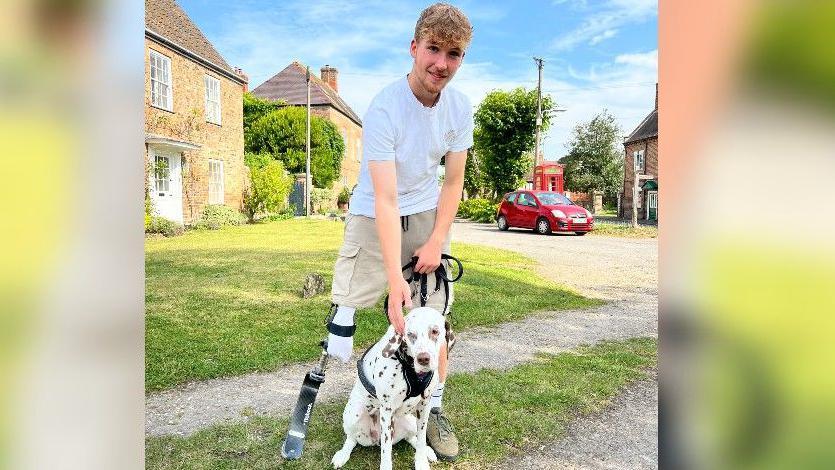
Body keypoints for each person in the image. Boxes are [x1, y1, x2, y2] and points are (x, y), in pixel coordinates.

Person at [323, 3, 473, 462]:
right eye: (433, 49)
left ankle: (434, 406)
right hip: (376, 209)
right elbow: (386, 200)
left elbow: (453, 182)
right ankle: (344, 325)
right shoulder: (386, 107)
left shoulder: (459, 106)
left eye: (454, 53)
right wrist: (394, 281)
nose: (441, 64)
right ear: (414, 48)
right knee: (363, 300)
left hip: (428, 207)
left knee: (433, 314)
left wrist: (435, 241)